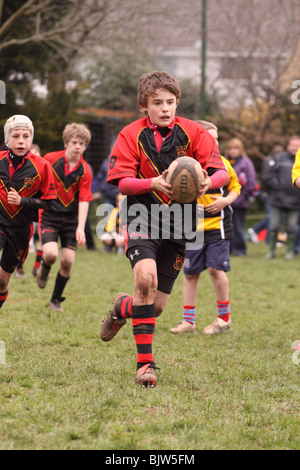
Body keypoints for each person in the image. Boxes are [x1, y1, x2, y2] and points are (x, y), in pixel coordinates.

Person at [99, 70, 229, 387]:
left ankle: (121, 307)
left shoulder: (195, 132)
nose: (165, 108)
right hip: (141, 214)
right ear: (145, 105)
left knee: (153, 307)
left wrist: (206, 183)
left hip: (181, 221)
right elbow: (123, 183)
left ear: (177, 102)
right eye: (158, 103)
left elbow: (221, 174)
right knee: (144, 278)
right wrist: (152, 182)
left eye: (170, 102)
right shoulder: (129, 134)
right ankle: (146, 366)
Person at [170, 121, 241, 335]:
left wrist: (224, 201)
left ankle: (224, 319)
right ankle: (188, 322)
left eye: (217, 139)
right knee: (190, 274)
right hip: (192, 228)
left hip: (217, 226)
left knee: (214, 269)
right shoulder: (184, 166)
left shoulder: (224, 164)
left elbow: (236, 188)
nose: (215, 143)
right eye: (210, 139)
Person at [0, 115, 56, 308]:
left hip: (20, 231)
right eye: (16, 136)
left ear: (31, 138)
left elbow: (49, 203)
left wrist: (22, 201)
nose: (21, 140)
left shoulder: (42, 166)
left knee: (2, 281)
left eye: (26, 135)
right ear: (8, 139)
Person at [36, 123, 93, 311]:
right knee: (51, 254)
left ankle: (55, 300)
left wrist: (80, 228)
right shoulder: (50, 159)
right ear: (66, 142)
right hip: (50, 215)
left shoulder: (85, 170)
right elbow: (38, 183)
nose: (78, 147)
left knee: (68, 261)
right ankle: (44, 266)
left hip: (71, 220)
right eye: (75, 142)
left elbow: (84, 200)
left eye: (82, 144)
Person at [264, 135, 300, 259]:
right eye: (293, 145)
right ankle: (271, 251)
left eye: (298, 145)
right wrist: (277, 187)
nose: (295, 148)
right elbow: (269, 175)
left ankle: (289, 251)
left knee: (292, 227)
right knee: (274, 225)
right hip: (277, 199)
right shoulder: (279, 158)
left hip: (296, 201)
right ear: (288, 145)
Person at [225, 138, 257, 256]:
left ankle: (240, 249)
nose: (233, 151)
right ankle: (229, 249)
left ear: (240, 150)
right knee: (227, 225)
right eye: (231, 149)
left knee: (238, 226)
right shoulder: (226, 161)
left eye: (236, 149)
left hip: (240, 200)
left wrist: (241, 197)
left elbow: (251, 182)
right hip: (225, 200)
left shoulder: (246, 162)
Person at [247, 144, 284, 245]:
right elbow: (267, 178)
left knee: (273, 216)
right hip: (268, 193)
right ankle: (268, 240)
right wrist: (278, 186)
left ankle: (255, 230)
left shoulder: (276, 161)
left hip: (275, 193)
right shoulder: (269, 161)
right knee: (271, 216)